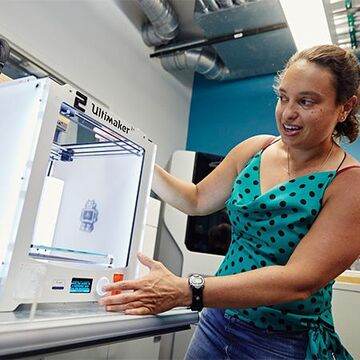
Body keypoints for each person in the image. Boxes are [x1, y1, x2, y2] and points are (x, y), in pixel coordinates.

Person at [99, 44, 360, 359]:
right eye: (283, 98)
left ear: (345, 107)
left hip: (280, 341)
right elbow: (196, 199)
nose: (288, 113)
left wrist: (188, 290)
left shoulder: (349, 183)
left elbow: (298, 280)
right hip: (216, 320)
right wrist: (138, 156)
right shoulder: (256, 149)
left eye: (306, 101)